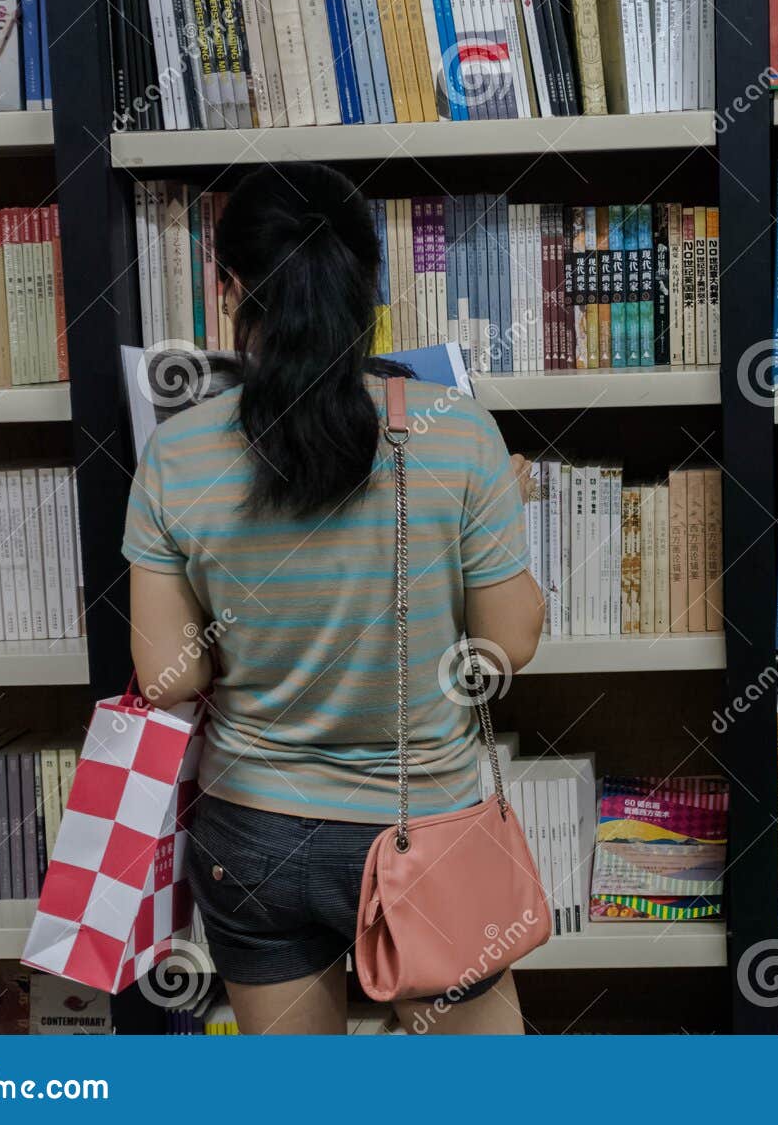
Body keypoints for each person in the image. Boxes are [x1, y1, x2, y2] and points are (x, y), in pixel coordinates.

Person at [122, 161, 545, 1035]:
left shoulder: (176, 454)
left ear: (228, 288)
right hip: (425, 826)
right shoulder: (457, 433)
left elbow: (167, 677)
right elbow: (507, 642)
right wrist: (499, 514)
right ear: (368, 287)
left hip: (255, 836)